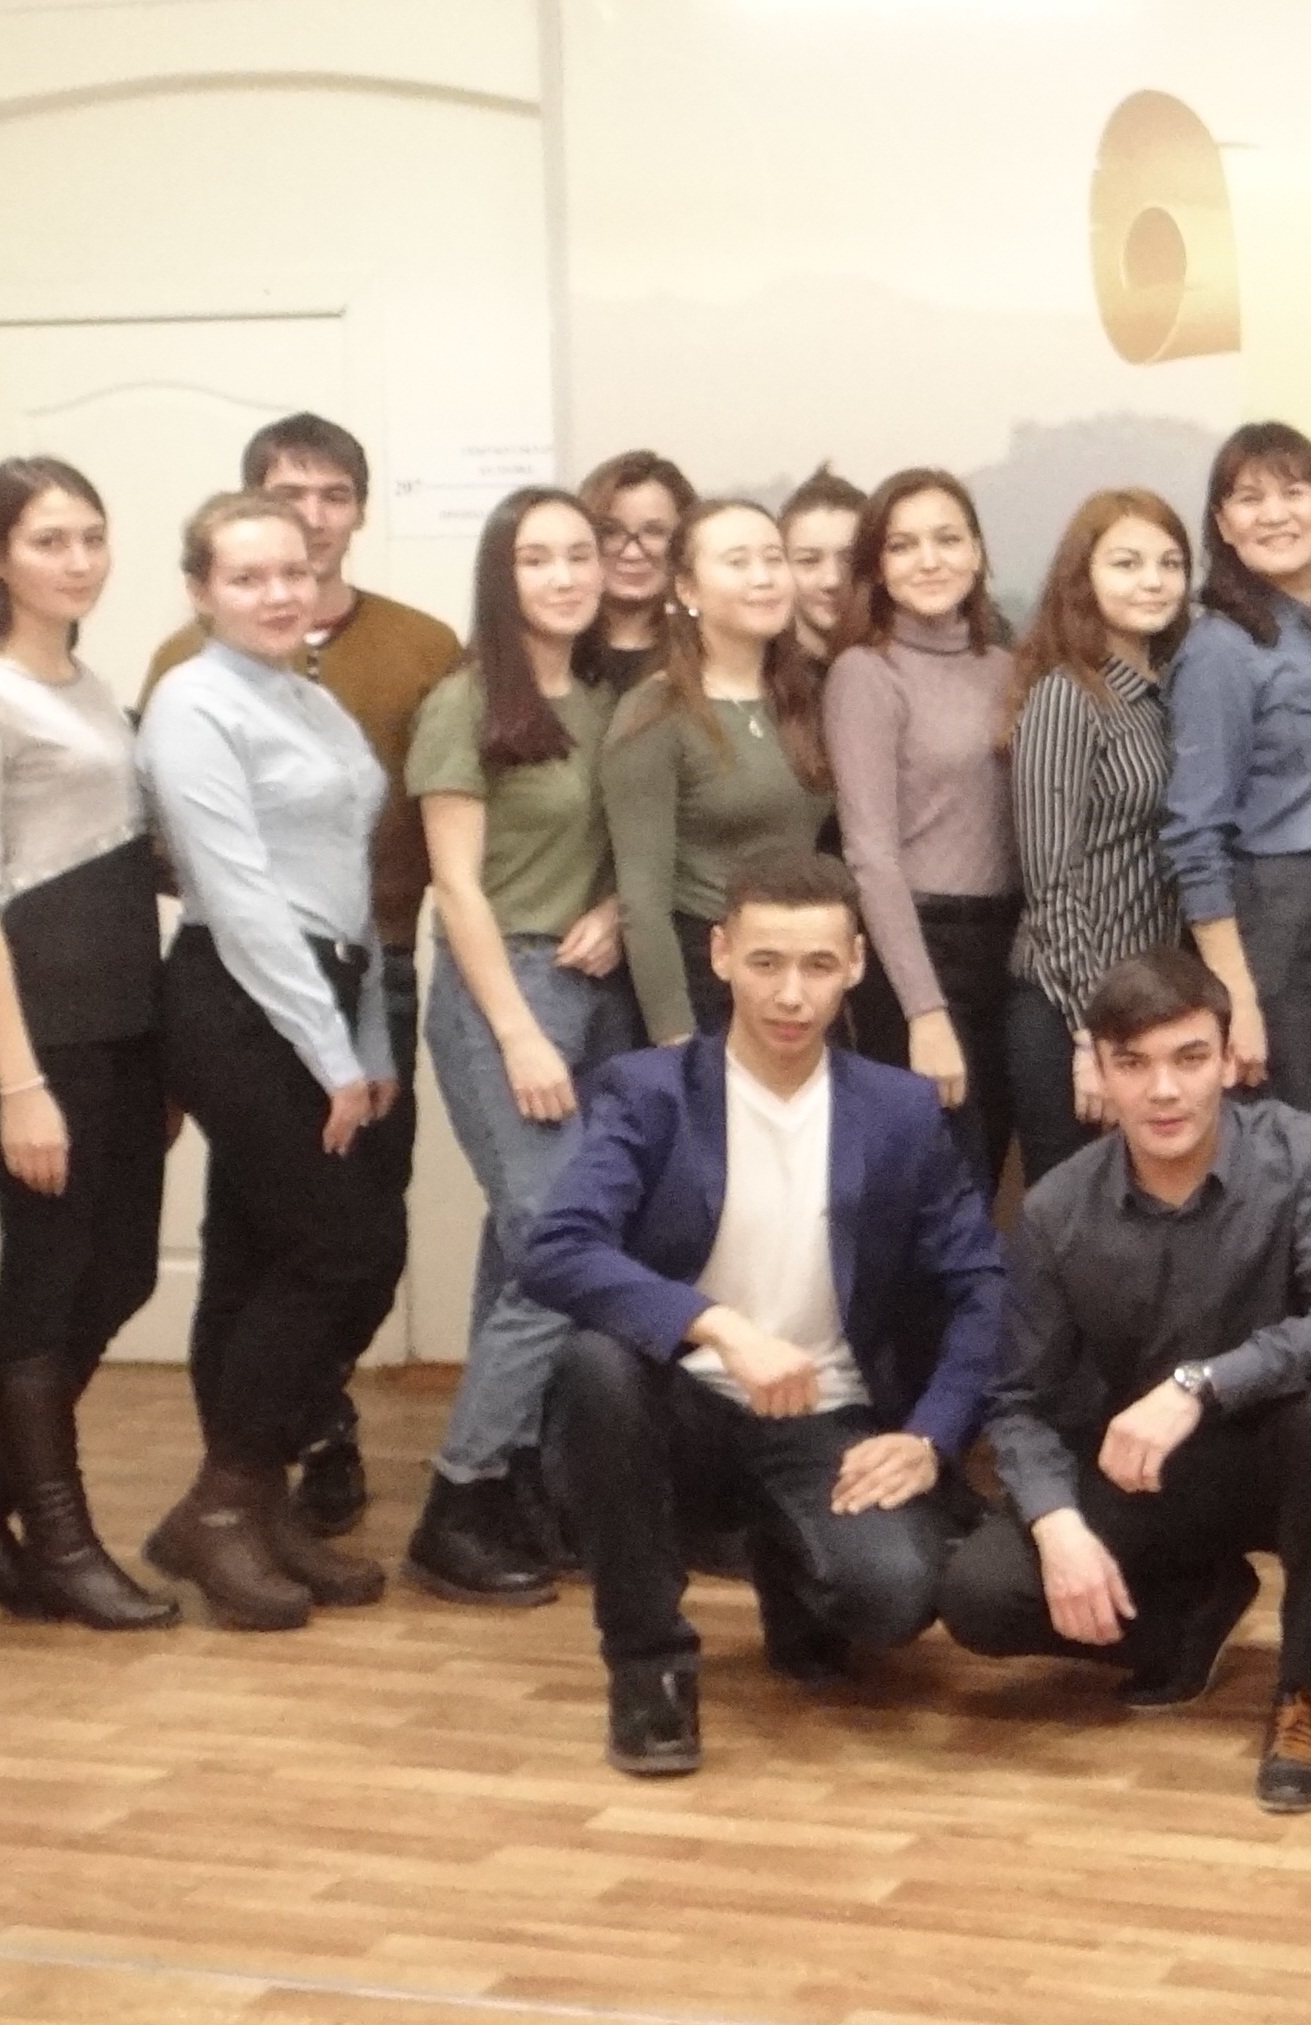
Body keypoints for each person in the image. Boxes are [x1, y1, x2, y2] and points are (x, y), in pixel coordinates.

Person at [520, 851, 1007, 1779]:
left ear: (855, 963)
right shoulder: (649, 1092)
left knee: (895, 1598)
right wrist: (718, 1325)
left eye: (817, 965)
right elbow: (558, 1246)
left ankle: (794, 1571)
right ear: (721, 954)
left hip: (824, 1416)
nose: (790, 994)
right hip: (680, 1408)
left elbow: (982, 1284)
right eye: (766, 962)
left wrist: (932, 1437)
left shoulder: (901, 1111)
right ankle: (649, 1667)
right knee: (594, 1363)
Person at [938, 947, 1311, 1813]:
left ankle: (1304, 1692)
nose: (1164, 1090)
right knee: (980, 1595)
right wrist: (1057, 1526)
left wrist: (1198, 1384)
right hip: (1142, 1474)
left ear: (1226, 1058)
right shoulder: (1057, 1207)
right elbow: (1020, 1401)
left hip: (1276, 1453)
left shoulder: (1305, 1153)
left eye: (1188, 1058)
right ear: (1100, 1073)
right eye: (1133, 1064)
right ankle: (1190, 1611)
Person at [145, 413, 456, 1537]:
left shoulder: (307, 697)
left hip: (337, 984)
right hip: (242, 997)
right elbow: (238, 899)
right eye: (248, 576)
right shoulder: (191, 699)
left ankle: (252, 1508)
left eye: (290, 572)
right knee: (344, 1246)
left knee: (256, 1249)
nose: (279, 591)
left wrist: (365, 1038)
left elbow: (355, 878)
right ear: (201, 590)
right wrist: (330, 1055)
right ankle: (224, 1506)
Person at [0, 457, 180, 1635]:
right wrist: (19, 1081)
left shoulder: (89, 683)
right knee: (47, 1278)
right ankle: (60, 1545)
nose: (77, 561)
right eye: (46, 540)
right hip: (32, 1035)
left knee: (119, 1273)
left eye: (90, 537)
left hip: (120, 1021)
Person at [400, 487, 642, 1607]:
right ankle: (456, 1500)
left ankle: (519, 1486)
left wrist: (616, 908)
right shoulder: (464, 702)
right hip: (505, 992)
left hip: (595, 986)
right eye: (537, 558)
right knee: (559, 1249)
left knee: (523, 1250)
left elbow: (622, 843)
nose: (564, 575)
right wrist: (515, 1033)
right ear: (502, 575)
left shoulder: (603, 700)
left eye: (578, 554)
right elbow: (454, 887)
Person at [1167, 424, 1311, 1156]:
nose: (1274, 514)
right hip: (1276, 922)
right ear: (1223, 523)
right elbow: (1194, 834)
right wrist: (1235, 997)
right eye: (1248, 498)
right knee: (1293, 1151)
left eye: (1294, 492)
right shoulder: (1221, 647)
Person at [823, 467, 1022, 1194]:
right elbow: (869, 855)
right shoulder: (865, 673)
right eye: (903, 545)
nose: (929, 560)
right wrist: (925, 1011)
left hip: (1009, 952)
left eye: (947, 539)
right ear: (876, 567)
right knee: (939, 1190)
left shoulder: (1008, 667)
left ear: (977, 551)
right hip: (918, 950)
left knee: (984, 1179)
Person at [1002, 490, 1193, 1179]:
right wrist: (1092, 1035)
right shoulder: (1068, 694)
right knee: (1079, 1218)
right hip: (1069, 1011)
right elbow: (1050, 883)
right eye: (1126, 563)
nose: (1153, 580)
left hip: (1152, 1006)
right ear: (1082, 578)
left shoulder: (1167, 692)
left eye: (1170, 563)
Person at [610, 497, 834, 1049]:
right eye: (738, 562)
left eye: (773, 558)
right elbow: (643, 905)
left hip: (802, 972)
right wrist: (675, 1040)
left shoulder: (804, 697)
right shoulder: (655, 713)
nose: (763, 577)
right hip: (709, 976)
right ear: (687, 590)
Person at [576, 449, 697, 690]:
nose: (632, 552)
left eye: (654, 531)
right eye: (611, 531)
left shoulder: (709, 655)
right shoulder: (551, 655)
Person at [781, 466, 869, 667]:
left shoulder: (899, 669)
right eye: (809, 561)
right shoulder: (760, 676)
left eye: (849, 559)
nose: (832, 580)